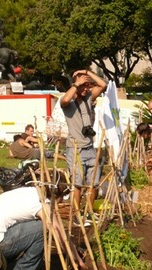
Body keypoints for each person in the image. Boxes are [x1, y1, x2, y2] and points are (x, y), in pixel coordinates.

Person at [0, 185, 85, 270]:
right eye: (59, 202)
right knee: (43, 227)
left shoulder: (30, 192)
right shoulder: (40, 204)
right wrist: (77, 258)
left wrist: (74, 248)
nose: (58, 206)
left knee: (30, 227)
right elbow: (58, 232)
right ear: (57, 196)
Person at [60, 69, 107, 221]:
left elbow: (102, 84)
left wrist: (87, 72)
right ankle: (76, 215)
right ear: (75, 85)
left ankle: (89, 213)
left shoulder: (88, 98)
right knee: (77, 184)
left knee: (93, 184)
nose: (87, 88)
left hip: (89, 148)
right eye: (84, 85)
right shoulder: (69, 103)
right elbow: (64, 101)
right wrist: (76, 84)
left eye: (88, 85)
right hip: (75, 149)